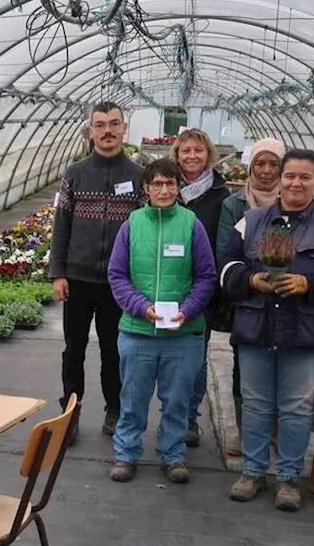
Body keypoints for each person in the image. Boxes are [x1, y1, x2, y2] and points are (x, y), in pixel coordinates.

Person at [218, 149, 314, 511]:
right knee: (257, 403)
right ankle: (252, 472)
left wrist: (309, 284)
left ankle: (290, 478)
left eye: (304, 177)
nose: (296, 183)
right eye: (290, 175)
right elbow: (226, 268)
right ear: (280, 179)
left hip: (303, 330)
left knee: (296, 407)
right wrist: (252, 279)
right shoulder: (252, 220)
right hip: (256, 326)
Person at [106, 159, 217, 483]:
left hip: (183, 333)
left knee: (177, 401)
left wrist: (189, 309)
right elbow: (117, 275)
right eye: (157, 184)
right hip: (138, 331)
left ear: (178, 187)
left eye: (170, 184)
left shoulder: (191, 224)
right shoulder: (132, 224)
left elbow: (206, 276)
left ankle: (173, 455)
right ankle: (126, 454)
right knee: (133, 399)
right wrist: (141, 307)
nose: (164, 190)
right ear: (146, 189)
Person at [48, 100, 145, 442]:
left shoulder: (138, 176)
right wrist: (58, 272)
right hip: (77, 279)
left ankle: (114, 410)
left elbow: (144, 231)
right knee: (73, 348)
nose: (107, 131)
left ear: (124, 129)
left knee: (113, 350)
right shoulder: (75, 174)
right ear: (90, 131)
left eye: (114, 124)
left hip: (118, 284)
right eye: (100, 124)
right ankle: (70, 412)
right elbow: (61, 226)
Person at [216, 138, 286, 431]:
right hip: (248, 301)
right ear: (250, 166)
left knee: (284, 369)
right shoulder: (234, 204)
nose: (267, 170)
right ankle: (247, 433)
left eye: (274, 164)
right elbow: (226, 252)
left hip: (288, 301)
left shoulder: (296, 202)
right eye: (260, 163)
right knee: (244, 370)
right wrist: (253, 279)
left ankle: (274, 432)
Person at [171, 128, 232, 448]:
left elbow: (223, 245)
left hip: (202, 289)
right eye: (186, 151)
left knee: (194, 356)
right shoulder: (165, 190)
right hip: (166, 286)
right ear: (176, 155)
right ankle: (168, 413)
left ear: (208, 155)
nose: (192, 156)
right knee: (162, 355)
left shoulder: (222, 197)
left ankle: (189, 418)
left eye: (198, 150)